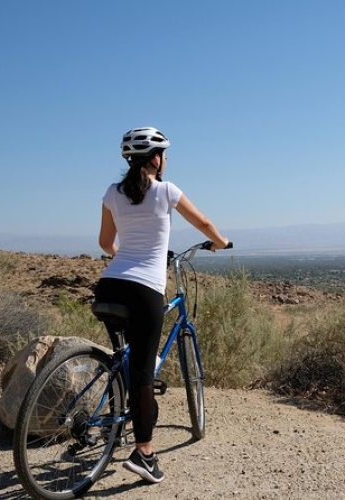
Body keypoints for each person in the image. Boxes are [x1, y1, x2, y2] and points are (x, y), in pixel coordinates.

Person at [95, 127, 229, 483]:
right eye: (165, 155)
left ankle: (113, 422)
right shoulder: (166, 191)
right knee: (142, 373)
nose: (166, 160)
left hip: (109, 286)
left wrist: (127, 258)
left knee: (122, 358)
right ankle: (145, 454)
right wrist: (221, 242)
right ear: (156, 159)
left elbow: (106, 243)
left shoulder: (111, 193)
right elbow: (203, 222)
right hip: (144, 290)